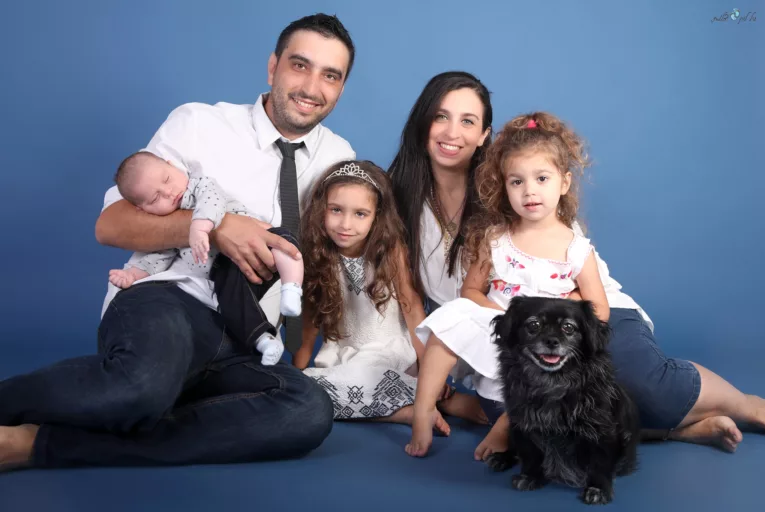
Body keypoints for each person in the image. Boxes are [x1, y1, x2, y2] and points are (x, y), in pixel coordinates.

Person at [0, 12, 356, 470]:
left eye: (330, 75)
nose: (311, 86)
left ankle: (36, 444)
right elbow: (110, 224)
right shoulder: (200, 123)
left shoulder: (339, 157)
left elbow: (341, 256)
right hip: (168, 301)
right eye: (300, 65)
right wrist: (217, 226)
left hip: (247, 335)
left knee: (306, 411)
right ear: (273, 66)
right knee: (141, 387)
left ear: (341, 87)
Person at [405, 111, 765, 458]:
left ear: (563, 183)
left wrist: (566, 320)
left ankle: (727, 409)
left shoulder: (574, 247)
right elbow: (470, 291)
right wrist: (500, 315)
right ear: (505, 186)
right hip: (512, 331)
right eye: (517, 182)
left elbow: (599, 308)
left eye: (541, 179)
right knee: (458, 321)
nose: (529, 191)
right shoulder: (495, 240)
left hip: (554, 338)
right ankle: (425, 412)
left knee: (568, 395)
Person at [292, 160, 451, 432]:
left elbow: (412, 307)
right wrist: (296, 374)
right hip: (342, 357)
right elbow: (309, 323)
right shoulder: (319, 254)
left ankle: (416, 401)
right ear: (321, 209)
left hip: (388, 354)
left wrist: (430, 370)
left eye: (360, 214)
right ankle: (409, 406)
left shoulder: (389, 251)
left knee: (367, 376)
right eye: (336, 210)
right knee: (305, 390)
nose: (345, 224)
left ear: (377, 216)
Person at [106, 150, 305, 365]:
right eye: (156, 198)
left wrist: (199, 227)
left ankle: (292, 289)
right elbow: (157, 258)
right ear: (143, 209)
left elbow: (213, 200)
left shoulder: (199, 186)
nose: (169, 192)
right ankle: (263, 340)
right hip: (226, 267)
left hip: (258, 242)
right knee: (231, 303)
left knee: (284, 241)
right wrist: (132, 274)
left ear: (171, 164)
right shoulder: (169, 227)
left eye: (167, 179)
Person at [389, 70, 495, 425]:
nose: (452, 133)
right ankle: (447, 400)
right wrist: (430, 377)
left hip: (520, 330)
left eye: (467, 121)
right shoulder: (398, 196)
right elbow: (408, 298)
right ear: (423, 123)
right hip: (455, 343)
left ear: (484, 135)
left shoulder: (507, 191)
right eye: (441, 116)